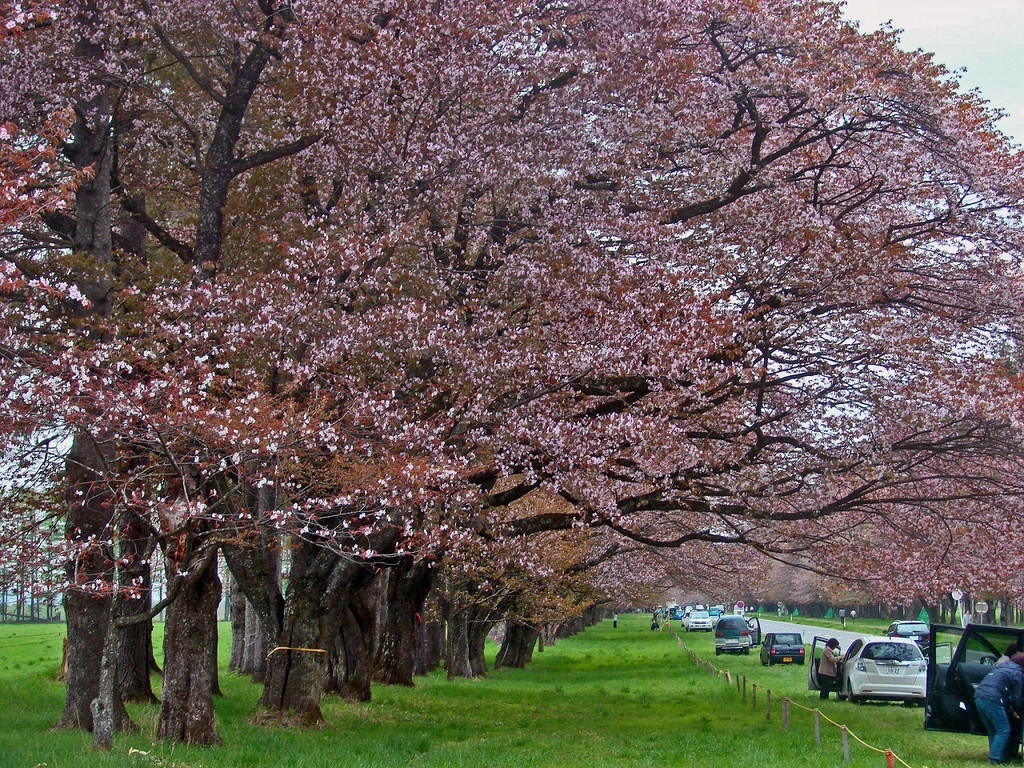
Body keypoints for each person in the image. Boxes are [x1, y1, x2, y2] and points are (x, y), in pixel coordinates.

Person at [973, 650, 1024, 764]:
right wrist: (1019, 711)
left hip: (979, 696)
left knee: (993, 730)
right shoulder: (1017, 673)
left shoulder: (1001, 667)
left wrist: (1007, 704)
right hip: (992, 698)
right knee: (1003, 729)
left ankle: (997, 757)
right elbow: (1017, 697)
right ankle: (994, 758)